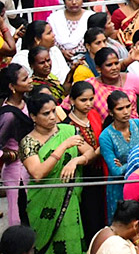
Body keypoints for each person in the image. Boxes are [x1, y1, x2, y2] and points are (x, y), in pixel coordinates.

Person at [20, 91, 90, 254]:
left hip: (69, 200)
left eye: (54, 111)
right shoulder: (28, 142)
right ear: (33, 117)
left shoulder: (67, 131)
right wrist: (63, 147)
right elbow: (37, 174)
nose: (52, 117)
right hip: (43, 203)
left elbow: (90, 153)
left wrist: (76, 161)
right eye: (46, 113)